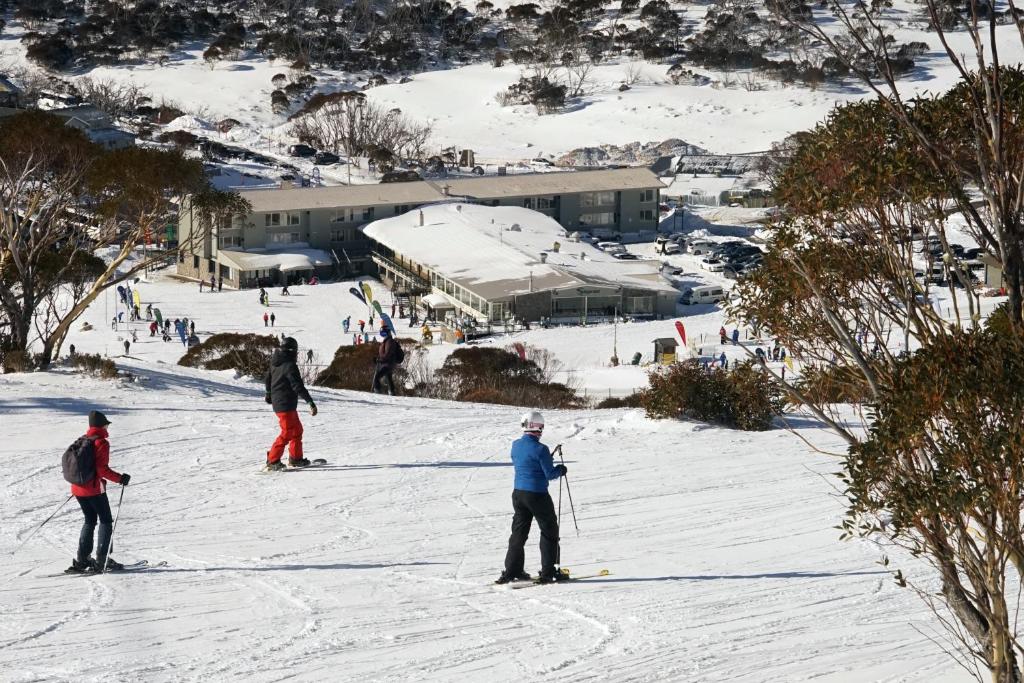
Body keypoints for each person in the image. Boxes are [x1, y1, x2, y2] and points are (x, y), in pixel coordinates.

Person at [496, 411, 567, 585]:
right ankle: (548, 572)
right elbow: (550, 474)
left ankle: (512, 570)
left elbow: (526, 463)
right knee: (549, 531)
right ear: (538, 427)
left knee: (519, 533)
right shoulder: (541, 449)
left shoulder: (515, 445)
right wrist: (561, 470)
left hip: (519, 494)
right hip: (537, 495)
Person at [66, 410, 130, 573]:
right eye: (106, 424)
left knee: (89, 521)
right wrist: (120, 478)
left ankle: (83, 559)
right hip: (94, 489)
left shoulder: (83, 440)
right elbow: (102, 470)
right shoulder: (101, 442)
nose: (108, 427)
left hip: (78, 489)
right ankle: (103, 560)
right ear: (102, 425)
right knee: (106, 521)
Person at [264, 337, 317, 470]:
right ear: (292, 351)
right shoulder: (289, 365)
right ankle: (272, 460)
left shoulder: (276, 361)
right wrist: (310, 402)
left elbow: (267, 378)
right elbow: (297, 386)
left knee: (297, 430)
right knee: (287, 432)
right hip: (285, 404)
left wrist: (268, 393)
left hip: (283, 403)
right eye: (296, 352)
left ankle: (296, 458)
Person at [372, 328, 402, 395]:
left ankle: (377, 391)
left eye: (384, 334)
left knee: (377, 377)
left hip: (388, 363)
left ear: (388, 334)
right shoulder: (386, 341)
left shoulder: (390, 342)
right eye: (382, 334)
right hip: (387, 363)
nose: (383, 335)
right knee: (388, 378)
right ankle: (392, 392)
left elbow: (387, 354)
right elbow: (383, 354)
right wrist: (378, 358)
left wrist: (379, 360)